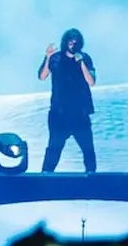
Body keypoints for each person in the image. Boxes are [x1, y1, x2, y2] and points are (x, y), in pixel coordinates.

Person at [37, 28, 97, 173]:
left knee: (88, 149)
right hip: (59, 114)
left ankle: (92, 178)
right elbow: (42, 76)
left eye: (76, 43)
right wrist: (47, 57)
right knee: (54, 148)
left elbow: (91, 81)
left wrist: (81, 63)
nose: (73, 45)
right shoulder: (56, 58)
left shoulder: (85, 58)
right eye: (70, 42)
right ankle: (45, 177)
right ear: (65, 43)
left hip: (80, 114)